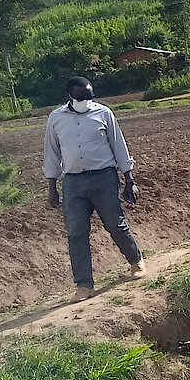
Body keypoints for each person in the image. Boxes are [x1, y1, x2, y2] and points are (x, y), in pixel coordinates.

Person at [43, 76, 146, 301]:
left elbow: (119, 146)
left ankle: (136, 261)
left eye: (87, 99)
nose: (84, 103)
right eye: (80, 99)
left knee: (115, 223)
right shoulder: (56, 119)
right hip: (73, 182)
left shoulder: (103, 113)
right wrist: (52, 186)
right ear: (69, 96)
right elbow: (52, 153)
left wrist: (129, 178)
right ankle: (84, 285)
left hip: (103, 177)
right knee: (76, 232)